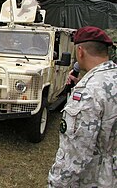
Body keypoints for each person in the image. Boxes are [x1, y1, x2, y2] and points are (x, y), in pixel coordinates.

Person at [48, 26, 117, 187]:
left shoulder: (87, 92)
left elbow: (75, 154)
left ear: (80, 51)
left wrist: (56, 184)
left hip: (97, 179)